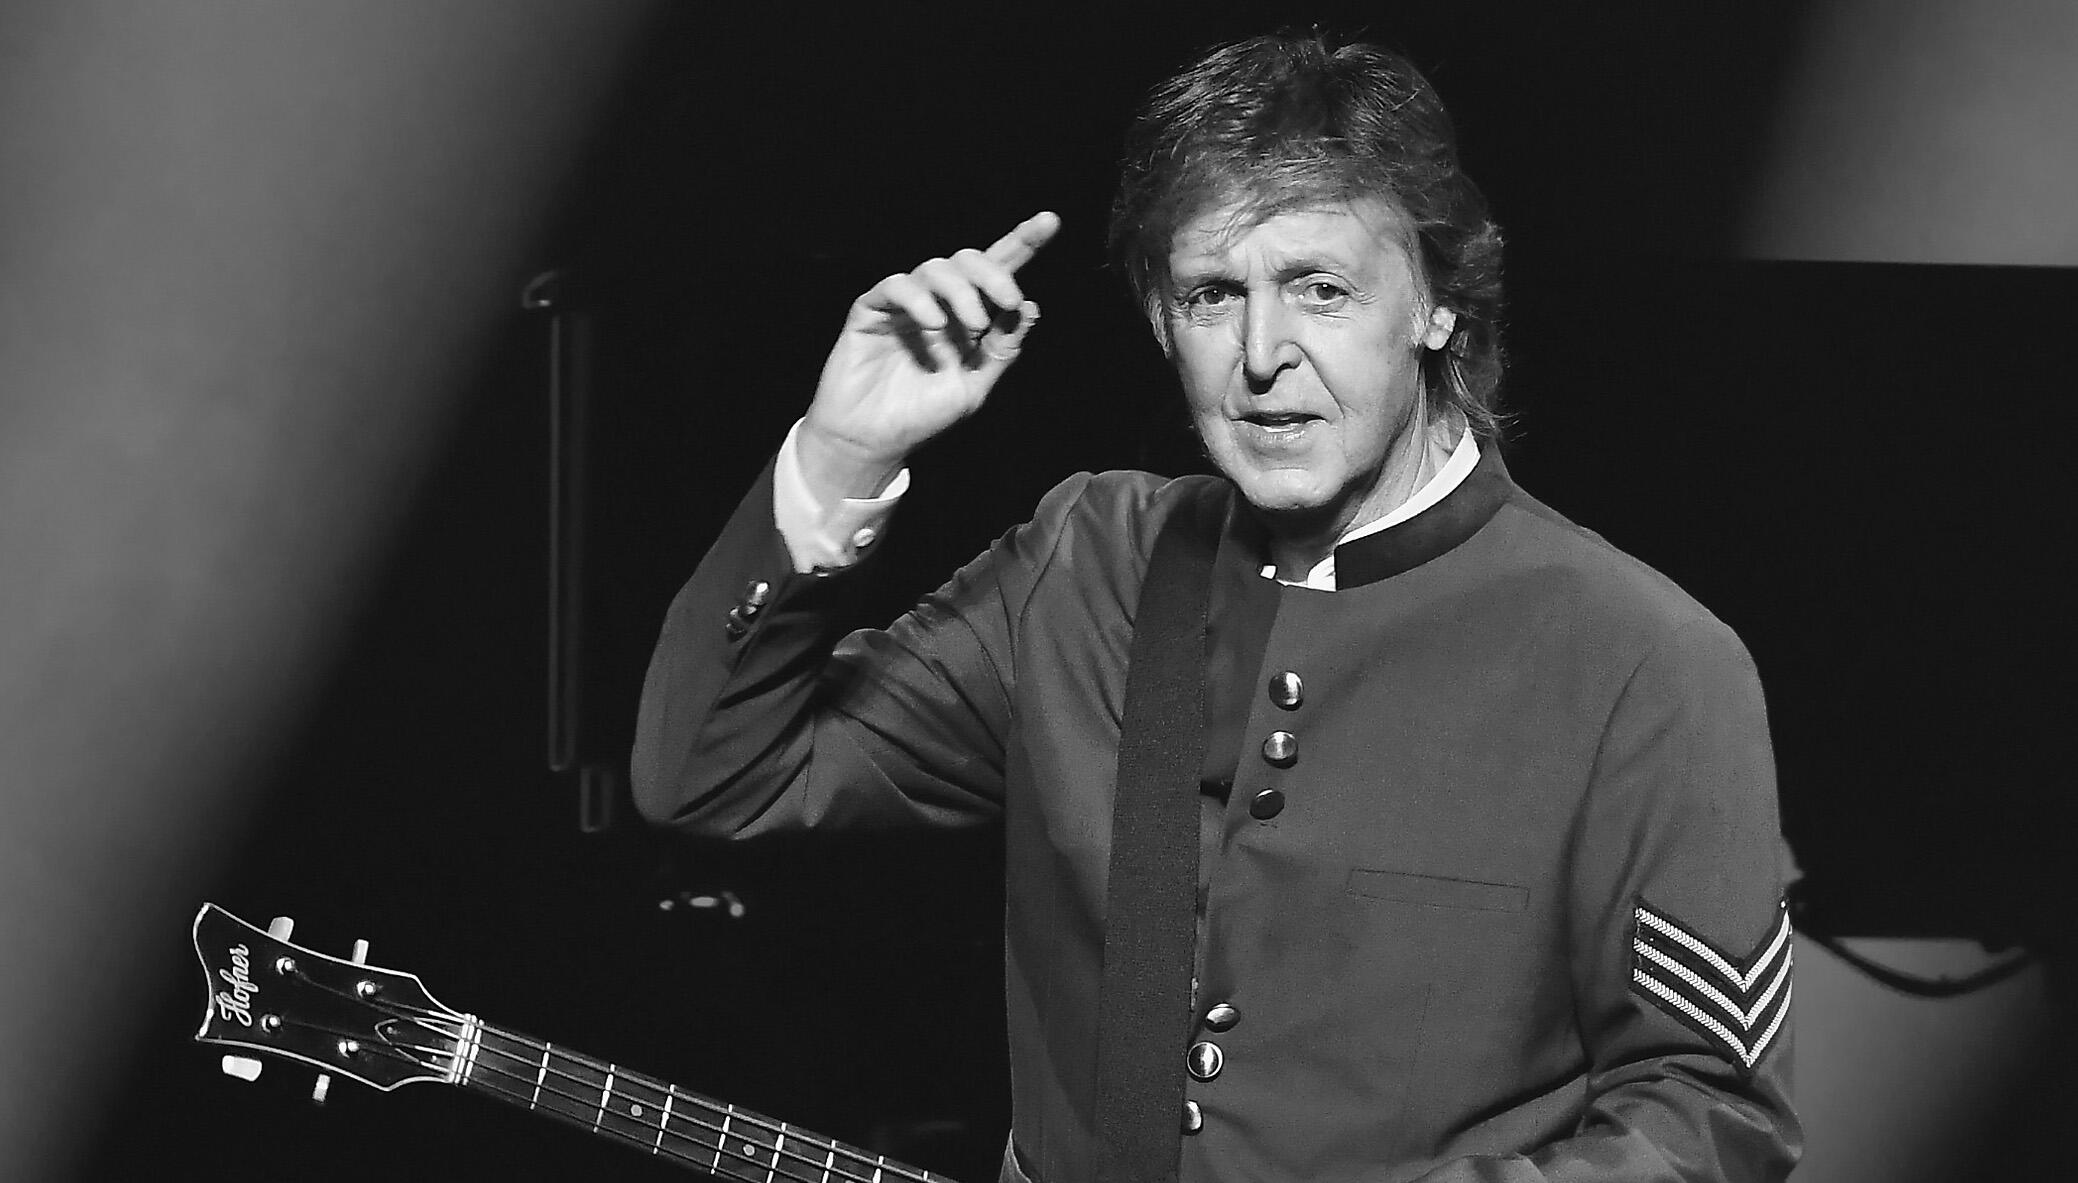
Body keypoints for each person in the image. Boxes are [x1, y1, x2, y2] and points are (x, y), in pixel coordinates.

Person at [633, 30, 1798, 1183]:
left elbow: (1708, 1120)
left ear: (1437, 304)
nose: (1258, 353)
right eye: (1209, 294)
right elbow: (712, 778)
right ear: (1158, 318)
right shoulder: (1084, 561)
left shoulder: (1643, 660)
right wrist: (841, 452)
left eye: (1319, 289)